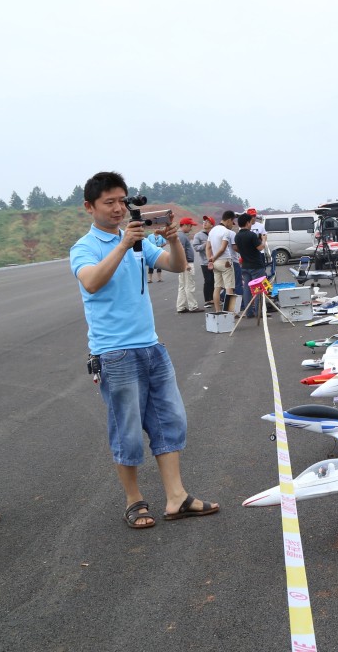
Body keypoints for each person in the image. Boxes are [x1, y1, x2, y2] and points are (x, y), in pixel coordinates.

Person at [70, 171, 219, 527]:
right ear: (90, 207)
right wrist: (123, 246)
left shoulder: (136, 240)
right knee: (128, 428)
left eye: (122, 201)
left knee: (170, 420)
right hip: (114, 353)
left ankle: (176, 497)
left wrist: (172, 241)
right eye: (110, 202)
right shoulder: (85, 247)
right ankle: (134, 500)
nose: (119, 208)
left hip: (151, 346)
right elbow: (90, 282)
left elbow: (177, 265)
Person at [234, 212, 266, 319]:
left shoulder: (237, 236)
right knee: (258, 289)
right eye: (250, 222)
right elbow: (260, 248)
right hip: (256, 265)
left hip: (245, 265)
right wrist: (264, 240)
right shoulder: (251, 235)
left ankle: (249, 312)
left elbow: (237, 248)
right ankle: (258, 311)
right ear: (247, 223)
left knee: (247, 289)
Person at [207, 210, 237, 312]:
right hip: (225, 261)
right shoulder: (226, 232)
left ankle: (218, 311)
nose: (231, 225)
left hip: (215, 263)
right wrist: (214, 258)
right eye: (232, 222)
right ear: (228, 220)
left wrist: (210, 260)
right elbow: (223, 248)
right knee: (229, 287)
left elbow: (208, 247)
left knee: (217, 287)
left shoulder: (212, 230)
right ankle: (230, 312)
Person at [175, 218, 202, 313]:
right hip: (186, 263)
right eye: (190, 226)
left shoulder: (178, 234)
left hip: (180, 263)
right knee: (189, 285)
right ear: (185, 225)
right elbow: (181, 250)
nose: (191, 228)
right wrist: (186, 264)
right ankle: (193, 306)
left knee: (182, 286)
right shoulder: (182, 236)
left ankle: (181, 306)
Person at [193, 216, 215, 310]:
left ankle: (214, 299)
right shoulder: (198, 235)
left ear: (212, 224)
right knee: (208, 281)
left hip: (216, 261)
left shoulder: (215, 234)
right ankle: (207, 300)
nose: (205, 223)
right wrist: (206, 244)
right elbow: (196, 248)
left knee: (216, 281)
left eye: (207, 221)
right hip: (205, 262)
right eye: (204, 221)